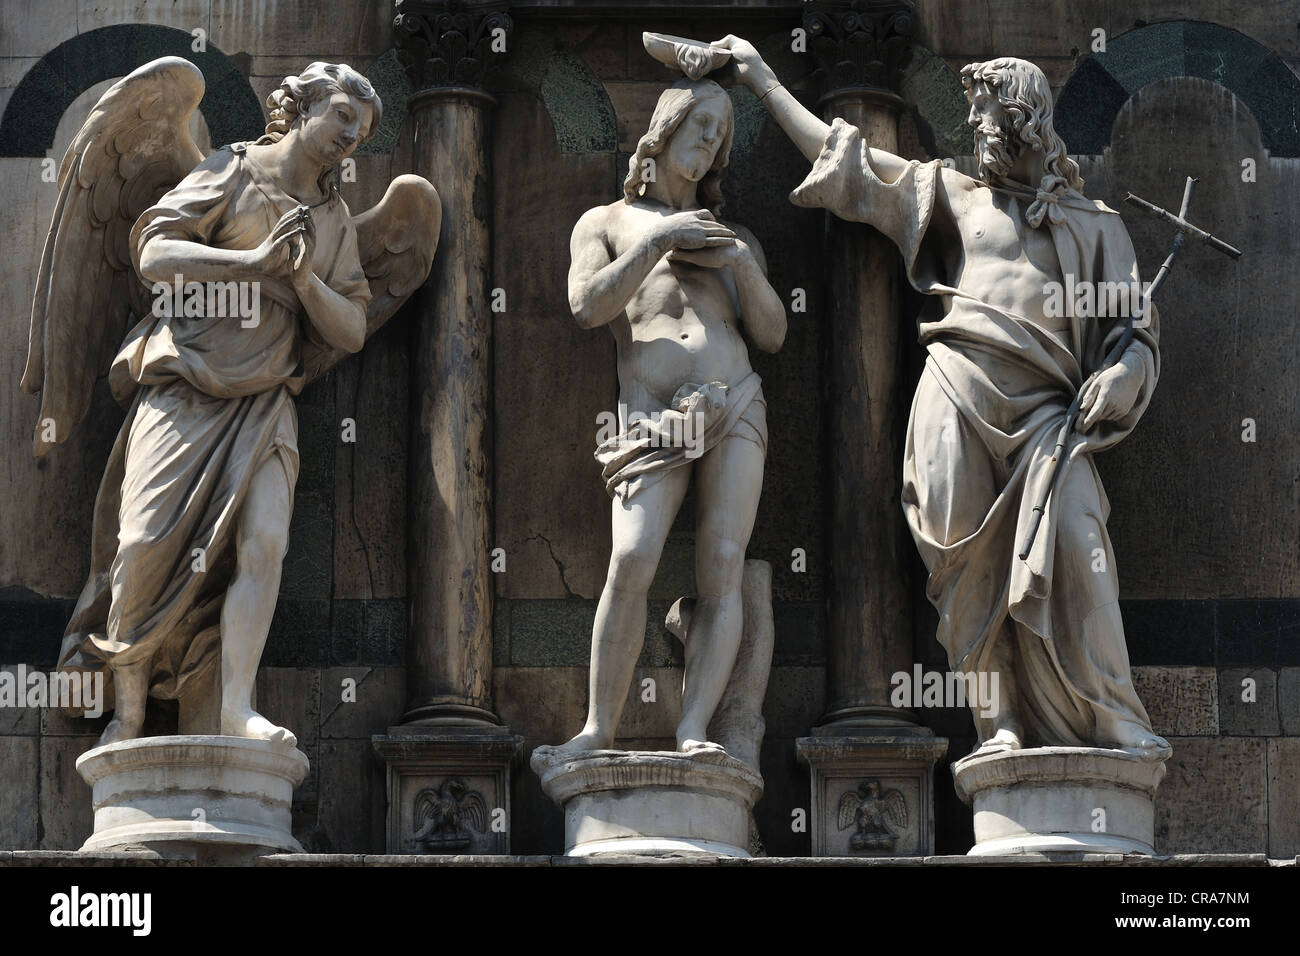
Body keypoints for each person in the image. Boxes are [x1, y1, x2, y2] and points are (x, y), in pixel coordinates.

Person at [716, 37, 1169, 758]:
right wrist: (765, 79)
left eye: (989, 120)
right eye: (975, 122)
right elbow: (851, 163)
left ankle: (1109, 713)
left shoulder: (1097, 226)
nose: (978, 134)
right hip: (956, 397)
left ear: (1028, 123)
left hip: (1052, 423)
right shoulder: (957, 197)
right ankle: (1001, 726)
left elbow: (1134, 334)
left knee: (1083, 552)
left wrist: (1122, 375)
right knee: (968, 570)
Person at [58, 63, 378, 747]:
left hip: (265, 401)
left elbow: (350, 327)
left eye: (364, 131)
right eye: (344, 116)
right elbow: (153, 253)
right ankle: (131, 711)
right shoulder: (231, 171)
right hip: (185, 383)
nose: (353, 135)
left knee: (263, 543)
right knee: (142, 545)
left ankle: (235, 706)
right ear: (301, 108)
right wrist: (253, 264)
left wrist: (300, 280)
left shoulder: (333, 218)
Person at [554, 77, 787, 755]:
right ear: (665, 127)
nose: (711, 139)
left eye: (721, 134)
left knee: (721, 562)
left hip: (736, 398)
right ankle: (599, 729)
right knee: (630, 558)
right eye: (701, 123)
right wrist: (659, 241)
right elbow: (586, 307)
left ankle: (692, 728)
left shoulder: (733, 235)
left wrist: (740, 262)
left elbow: (771, 333)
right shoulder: (604, 223)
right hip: (654, 412)